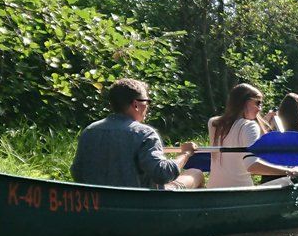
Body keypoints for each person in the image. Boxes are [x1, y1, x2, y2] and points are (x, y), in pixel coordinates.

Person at [71, 78, 204, 190]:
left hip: (100, 204)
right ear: (136, 104)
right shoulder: (145, 134)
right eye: (147, 102)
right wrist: (185, 154)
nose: (148, 107)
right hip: (143, 204)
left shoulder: (90, 131)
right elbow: (163, 174)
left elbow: (77, 172)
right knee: (196, 173)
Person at [207, 83, 298, 188]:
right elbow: (252, 166)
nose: (260, 108)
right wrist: (290, 171)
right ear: (244, 102)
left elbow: (241, 138)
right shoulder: (249, 126)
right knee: (288, 181)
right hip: (241, 194)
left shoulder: (214, 123)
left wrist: (264, 120)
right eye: (258, 103)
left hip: (214, 189)